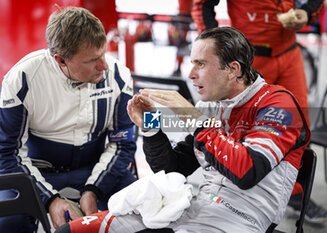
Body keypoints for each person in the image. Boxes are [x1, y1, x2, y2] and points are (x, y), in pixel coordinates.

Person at [55, 26, 310, 233]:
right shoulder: (210, 107)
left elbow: (247, 171)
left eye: (200, 64)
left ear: (233, 69)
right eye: (192, 63)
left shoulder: (278, 104)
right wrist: (151, 126)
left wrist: (192, 117)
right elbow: (173, 169)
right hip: (192, 206)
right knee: (70, 232)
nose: (190, 74)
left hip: (242, 219)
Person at [191, 0, 327, 223]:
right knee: (239, 124)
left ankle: (295, 194)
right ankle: (232, 195)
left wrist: (306, 12)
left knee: (299, 126)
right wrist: (216, 49)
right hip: (249, 58)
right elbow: (202, 5)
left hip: (289, 53)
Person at [0, 6, 136, 232]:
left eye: (103, 53)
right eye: (92, 60)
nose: (104, 65)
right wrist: (49, 199)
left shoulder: (119, 75)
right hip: (35, 170)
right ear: (61, 60)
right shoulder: (21, 79)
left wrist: (94, 189)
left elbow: (123, 144)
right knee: (8, 223)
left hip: (93, 168)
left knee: (142, 211)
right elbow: (7, 152)